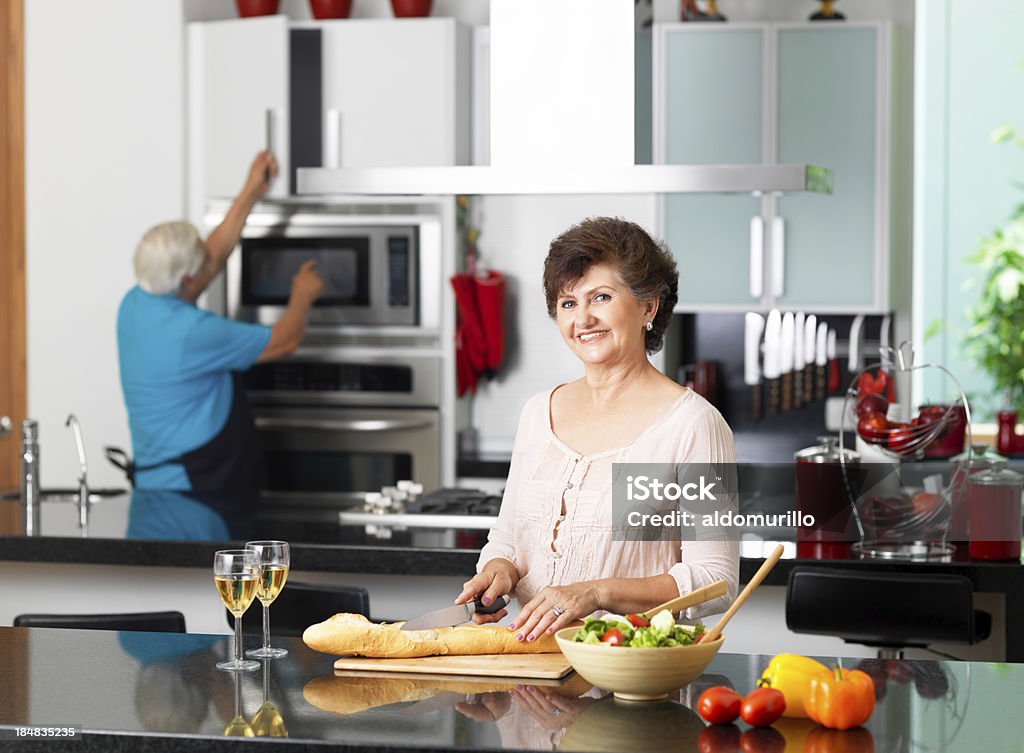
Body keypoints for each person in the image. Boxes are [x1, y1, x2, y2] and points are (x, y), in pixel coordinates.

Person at [456, 216, 738, 643]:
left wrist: (597, 593)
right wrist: (499, 569)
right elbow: (509, 537)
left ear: (648, 306)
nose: (583, 318)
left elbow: (715, 580)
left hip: (632, 676)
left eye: (601, 297)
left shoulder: (692, 425)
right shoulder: (538, 413)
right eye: (568, 303)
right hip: (530, 670)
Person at [116, 151, 323, 494]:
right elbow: (284, 341)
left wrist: (251, 192)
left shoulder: (135, 303)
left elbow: (209, 258)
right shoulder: (192, 331)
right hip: (193, 488)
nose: (208, 260)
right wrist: (302, 295)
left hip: (157, 483)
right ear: (187, 280)